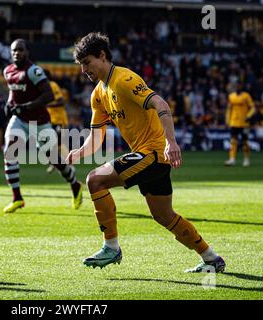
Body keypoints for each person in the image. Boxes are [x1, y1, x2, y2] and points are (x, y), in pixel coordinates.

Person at [67, 32, 225, 273]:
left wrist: (171, 142)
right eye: (81, 65)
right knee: (164, 215)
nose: (83, 70)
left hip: (152, 154)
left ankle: (111, 246)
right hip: (150, 158)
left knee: (95, 180)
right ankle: (211, 258)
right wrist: (78, 153)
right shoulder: (98, 94)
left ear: (102, 56)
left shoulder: (124, 79)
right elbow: (96, 135)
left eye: (87, 63)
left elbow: (161, 104)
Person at [2, 39, 83, 213]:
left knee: (54, 159)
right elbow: (13, 92)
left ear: (27, 52)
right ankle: (17, 198)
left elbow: (48, 96)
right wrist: (9, 104)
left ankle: (75, 185)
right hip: (19, 120)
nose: (17, 53)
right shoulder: (8, 71)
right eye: (14, 51)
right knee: (9, 152)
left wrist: (27, 106)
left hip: (40, 122)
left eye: (20, 50)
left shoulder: (34, 71)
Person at [224, 83, 256, 167]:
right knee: (233, 141)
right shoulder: (231, 96)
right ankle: (232, 159)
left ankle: (246, 159)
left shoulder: (246, 96)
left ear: (241, 87)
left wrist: (248, 116)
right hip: (234, 122)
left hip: (244, 123)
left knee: (245, 141)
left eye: (239, 86)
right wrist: (227, 120)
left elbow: (252, 108)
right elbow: (229, 109)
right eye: (236, 86)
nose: (237, 87)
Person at [44, 69, 70, 173]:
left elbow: (61, 101)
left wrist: (46, 105)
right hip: (50, 119)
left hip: (58, 119)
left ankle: (69, 163)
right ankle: (55, 163)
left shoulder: (52, 85)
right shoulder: (43, 87)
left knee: (59, 143)